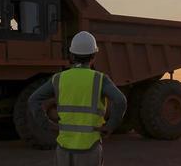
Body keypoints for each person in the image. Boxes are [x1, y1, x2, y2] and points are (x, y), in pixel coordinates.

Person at [29, 31, 127, 166]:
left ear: (72, 55)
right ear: (94, 56)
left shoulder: (58, 79)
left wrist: (46, 125)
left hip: (64, 147)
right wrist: (110, 126)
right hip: (90, 147)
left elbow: (33, 100)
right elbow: (120, 101)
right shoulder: (100, 79)